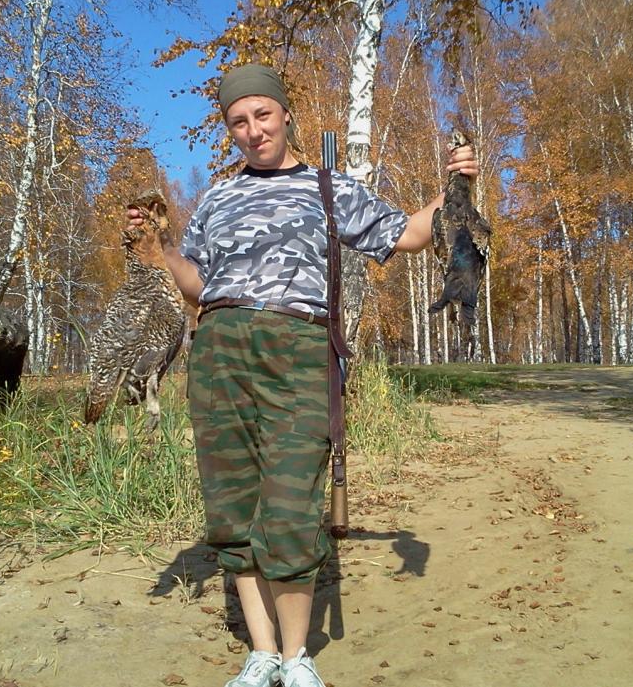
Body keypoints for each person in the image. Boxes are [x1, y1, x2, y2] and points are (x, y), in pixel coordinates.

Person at [126, 64, 478, 687]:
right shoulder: (216, 198)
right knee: (233, 508)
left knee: (290, 507)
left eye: (263, 115)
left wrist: (455, 187)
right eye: (239, 121)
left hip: (300, 350)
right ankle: (261, 654)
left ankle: (296, 658)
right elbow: (198, 286)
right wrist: (160, 253)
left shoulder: (328, 187)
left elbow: (408, 234)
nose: (253, 130)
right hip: (220, 352)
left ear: (285, 115)